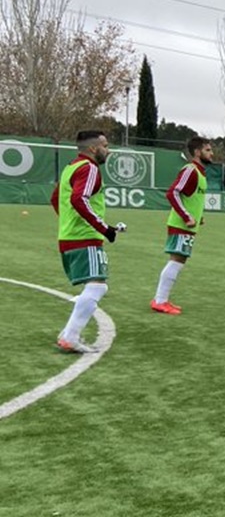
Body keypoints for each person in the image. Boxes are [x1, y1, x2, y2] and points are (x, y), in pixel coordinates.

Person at [49, 131, 123, 353]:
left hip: (69, 236)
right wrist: (104, 229)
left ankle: (69, 335)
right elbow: (79, 199)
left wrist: (69, 224)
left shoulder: (70, 167)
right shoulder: (90, 168)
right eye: (105, 146)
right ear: (93, 148)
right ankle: (70, 336)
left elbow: (55, 199)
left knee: (96, 284)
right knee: (98, 286)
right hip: (85, 237)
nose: (108, 151)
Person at [150, 136, 213, 315]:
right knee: (176, 261)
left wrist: (198, 217)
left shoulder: (200, 173)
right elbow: (173, 193)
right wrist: (186, 217)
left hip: (188, 226)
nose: (212, 153)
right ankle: (160, 300)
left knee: (179, 261)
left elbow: (190, 197)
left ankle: (162, 299)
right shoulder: (190, 170)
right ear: (198, 152)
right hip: (181, 225)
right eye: (208, 150)